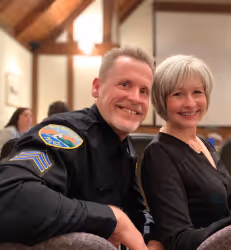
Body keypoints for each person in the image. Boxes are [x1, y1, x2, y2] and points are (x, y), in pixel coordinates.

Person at [0, 47, 161, 250]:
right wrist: (111, 218)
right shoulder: (65, 133)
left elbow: (135, 210)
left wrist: (152, 236)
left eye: (144, 91)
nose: (135, 98)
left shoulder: (124, 146)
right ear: (96, 87)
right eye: (124, 84)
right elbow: (10, 195)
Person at [141, 55, 231, 250]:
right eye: (178, 94)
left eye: (197, 92)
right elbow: (179, 240)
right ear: (161, 99)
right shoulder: (159, 154)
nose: (190, 103)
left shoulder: (203, 144)